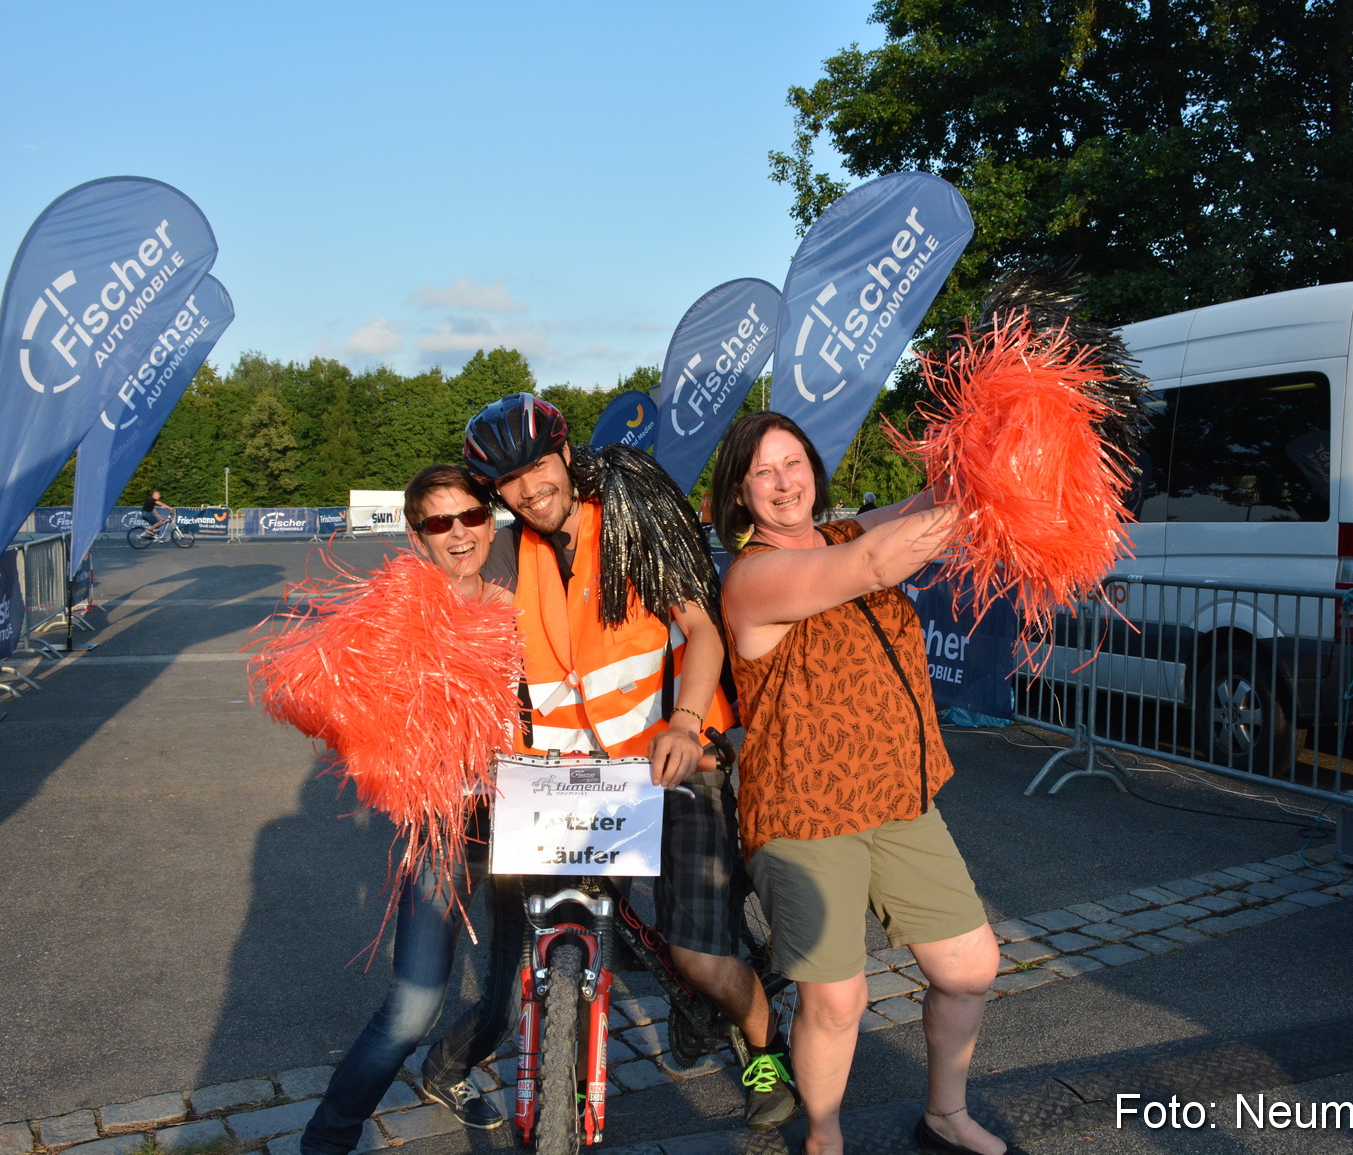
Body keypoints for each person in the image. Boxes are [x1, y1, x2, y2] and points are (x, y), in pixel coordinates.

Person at [425, 392, 798, 1132]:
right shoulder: (508, 553)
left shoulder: (630, 515)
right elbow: (456, 628)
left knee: (699, 954)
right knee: (556, 915)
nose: (529, 488)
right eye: (508, 480)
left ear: (565, 453)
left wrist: (688, 723)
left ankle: (763, 1044)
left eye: (536, 465)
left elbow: (702, 628)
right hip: (568, 776)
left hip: (674, 757)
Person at [711, 412, 1019, 1155]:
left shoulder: (846, 531)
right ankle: (823, 1137)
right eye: (764, 472)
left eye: (792, 463)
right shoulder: (752, 576)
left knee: (971, 965)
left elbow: (929, 501)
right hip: (804, 809)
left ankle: (943, 1115)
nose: (784, 482)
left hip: (896, 795)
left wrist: (999, 442)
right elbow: (880, 564)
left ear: (813, 467)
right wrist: (982, 502)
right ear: (741, 494)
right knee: (837, 997)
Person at [295, 464, 512, 1155]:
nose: (458, 534)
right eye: (440, 523)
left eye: (470, 516)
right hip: (439, 829)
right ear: (418, 536)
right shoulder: (397, 610)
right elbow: (329, 699)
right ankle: (326, 1139)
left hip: (523, 824)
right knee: (414, 1004)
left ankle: (447, 1070)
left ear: (490, 520)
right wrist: (392, 761)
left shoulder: (517, 606)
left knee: (509, 999)